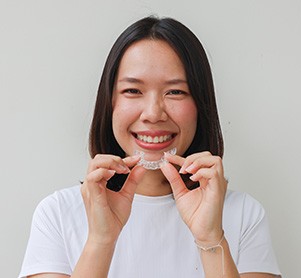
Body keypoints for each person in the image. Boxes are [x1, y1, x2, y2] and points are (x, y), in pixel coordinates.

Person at [19, 16, 282, 278]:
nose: (154, 113)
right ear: (109, 103)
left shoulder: (244, 214)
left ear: (201, 105)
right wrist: (101, 241)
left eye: (175, 92)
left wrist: (211, 238)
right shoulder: (57, 213)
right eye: (133, 91)